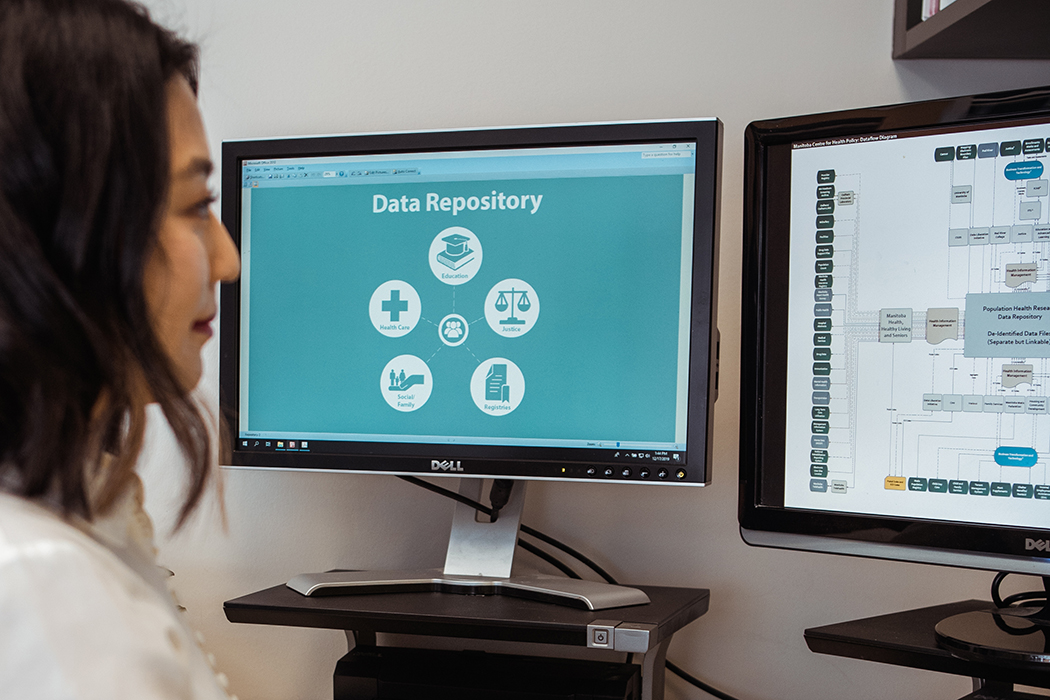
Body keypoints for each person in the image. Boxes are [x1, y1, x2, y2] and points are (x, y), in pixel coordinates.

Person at [0, 0, 240, 697]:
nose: (227, 260)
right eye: (197, 207)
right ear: (67, 232)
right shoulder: (50, 594)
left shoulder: (65, 519)